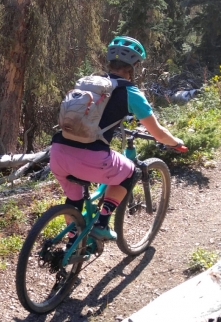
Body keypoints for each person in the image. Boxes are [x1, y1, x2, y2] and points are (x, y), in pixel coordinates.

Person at [49, 36, 187, 241]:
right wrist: (175, 143)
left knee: (74, 198)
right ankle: (102, 223)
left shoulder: (89, 84)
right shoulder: (129, 92)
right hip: (91, 157)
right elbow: (157, 132)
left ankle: (72, 239)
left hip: (58, 153)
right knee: (131, 173)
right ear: (134, 67)